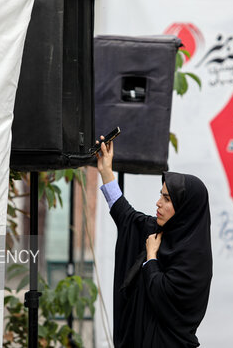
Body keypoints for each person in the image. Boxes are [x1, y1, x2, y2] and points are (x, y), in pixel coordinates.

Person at [95, 136, 212, 348]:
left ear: (185, 209)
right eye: (161, 195)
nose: (158, 203)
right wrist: (106, 171)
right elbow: (126, 216)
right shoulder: (157, 232)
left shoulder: (195, 258)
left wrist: (151, 259)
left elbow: (163, 297)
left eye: (167, 199)